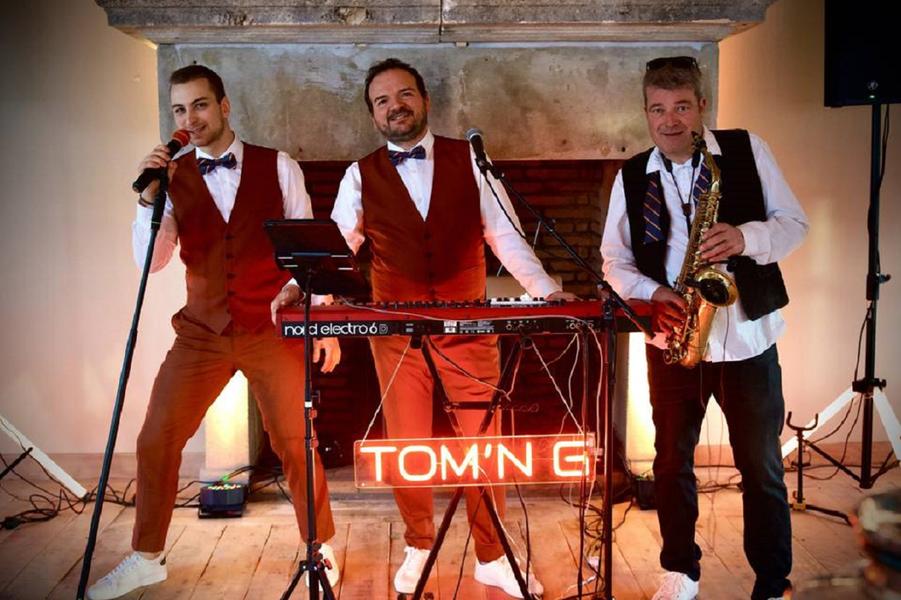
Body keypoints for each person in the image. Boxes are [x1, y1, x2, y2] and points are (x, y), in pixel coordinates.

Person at [87, 65, 341, 600]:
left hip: (270, 327)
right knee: (156, 437)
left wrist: (317, 315)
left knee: (296, 441)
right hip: (201, 331)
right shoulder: (172, 178)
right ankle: (146, 557)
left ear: (224, 107)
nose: (190, 119)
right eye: (179, 110)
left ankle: (319, 546)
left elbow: (308, 252)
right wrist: (146, 201)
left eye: (199, 105)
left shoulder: (279, 166)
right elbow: (152, 261)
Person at [330, 57, 576, 598]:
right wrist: (307, 294)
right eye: (382, 100)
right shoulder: (359, 175)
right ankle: (419, 544)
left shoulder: (472, 161)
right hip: (396, 333)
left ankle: (492, 554)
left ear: (425, 100)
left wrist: (545, 291)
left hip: (469, 324)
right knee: (407, 442)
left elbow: (506, 236)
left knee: (484, 441)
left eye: (404, 94)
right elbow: (335, 247)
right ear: (373, 114)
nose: (395, 106)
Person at [600, 56, 809, 600]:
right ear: (646, 113)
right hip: (673, 339)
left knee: (761, 467)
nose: (669, 121)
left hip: (747, 339)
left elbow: (794, 224)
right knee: (670, 464)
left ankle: (772, 582)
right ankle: (680, 570)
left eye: (681, 107)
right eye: (657, 109)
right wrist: (654, 294)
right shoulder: (632, 175)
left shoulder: (746, 150)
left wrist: (745, 238)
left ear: (702, 106)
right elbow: (614, 261)